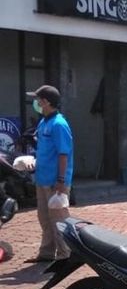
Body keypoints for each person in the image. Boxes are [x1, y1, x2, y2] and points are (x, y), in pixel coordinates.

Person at [24, 85, 73, 263]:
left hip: (55, 182)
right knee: (44, 218)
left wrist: (61, 181)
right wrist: (32, 162)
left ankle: (64, 255)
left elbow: (63, 154)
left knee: (58, 220)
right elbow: (46, 151)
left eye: (38, 99)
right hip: (42, 178)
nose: (36, 102)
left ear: (46, 102)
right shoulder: (44, 121)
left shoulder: (59, 124)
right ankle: (46, 253)